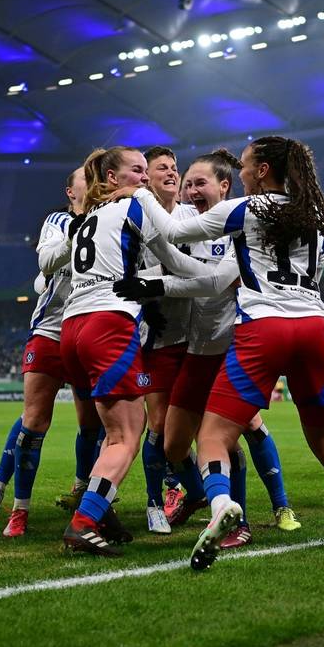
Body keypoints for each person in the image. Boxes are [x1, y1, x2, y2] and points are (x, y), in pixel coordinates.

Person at [112, 135, 324, 568]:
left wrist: (142, 193)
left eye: (244, 165)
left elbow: (175, 232)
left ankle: (222, 506)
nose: (240, 172)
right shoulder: (315, 213)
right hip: (312, 328)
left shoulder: (246, 208)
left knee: (213, 438)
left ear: (262, 171)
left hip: (264, 327)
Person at [58, 146, 214, 557]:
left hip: (71, 327)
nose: (144, 179)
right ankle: (84, 522)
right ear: (112, 177)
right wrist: (219, 277)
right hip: (108, 324)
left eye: (147, 172)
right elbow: (176, 255)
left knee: (110, 430)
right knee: (125, 436)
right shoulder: (134, 206)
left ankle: (101, 511)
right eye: (137, 171)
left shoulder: (86, 216)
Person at [150, 149, 302, 548]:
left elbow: (215, 281)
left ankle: (258, 514)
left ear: (224, 186)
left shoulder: (243, 225)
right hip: (196, 348)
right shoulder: (187, 220)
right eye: (188, 184)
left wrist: (157, 284)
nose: (191, 190)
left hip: (235, 344)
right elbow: (166, 228)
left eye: (199, 183)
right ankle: (204, 496)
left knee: (239, 431)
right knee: (174, 443)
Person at [0, 167, 102, 538]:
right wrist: (74, 237)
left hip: (87, 332)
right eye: (85, 177)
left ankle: (82, 491)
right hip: (50, 332)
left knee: (91, 423)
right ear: (70, 191)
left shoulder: (111, 219)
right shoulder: (58, 221)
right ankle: (13, 502)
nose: (93, 180)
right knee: (34, 419)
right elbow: (45, 262)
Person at [137, 146, 195, 534]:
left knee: (195, 427)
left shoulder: (193, 216)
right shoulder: (135, 219)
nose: (172, 173)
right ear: (147, 178)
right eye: (163, 168)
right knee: (157, 424)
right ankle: (155, 501)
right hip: (155, 340)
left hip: (196, 338)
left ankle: (197, 492)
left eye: (175, 167)